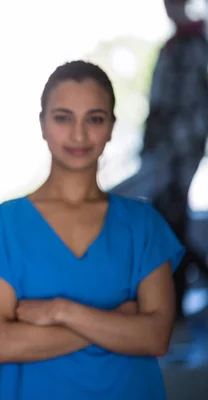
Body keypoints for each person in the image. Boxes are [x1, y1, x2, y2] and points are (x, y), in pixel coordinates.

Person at [0, 61, 185, 400]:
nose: (79, 134)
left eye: (94, 119)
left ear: (112, 127)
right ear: (42, 124)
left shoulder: (143, 224)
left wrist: (61, 311)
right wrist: (116, 321)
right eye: (63, 117)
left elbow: (156, 337)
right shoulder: (5, 225)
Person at [111, 0, 208, 319]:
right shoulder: (174, 45)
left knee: (172, 222)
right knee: (167, 221)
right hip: (163, 151)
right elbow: (159, 103)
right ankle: (171, 300)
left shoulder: (194, 44)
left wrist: (183, 143)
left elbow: (192, 102)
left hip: (180, 151)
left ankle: (174, 301)